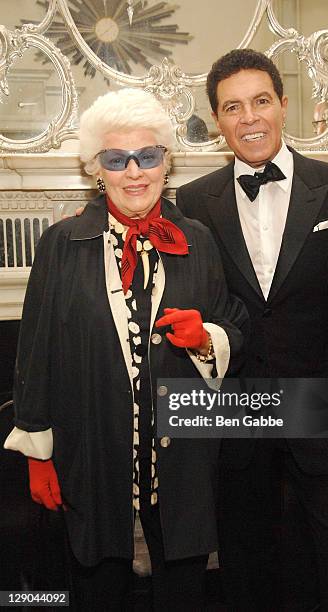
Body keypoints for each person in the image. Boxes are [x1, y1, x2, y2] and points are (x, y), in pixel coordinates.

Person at [4, 88, 247, 611]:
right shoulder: (60, 244)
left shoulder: (198, 239)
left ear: (166, 162)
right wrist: (38, 456)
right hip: (92, 456)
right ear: (98, 168)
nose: (134, 172)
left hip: (182, 459)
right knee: (99, 589)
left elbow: (234, 324)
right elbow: (35, 352)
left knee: (182, 590)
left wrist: (207, 340)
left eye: (148, 156)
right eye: (117, 159)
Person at [176, 49, 328, 611]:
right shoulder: (194, 199)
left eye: (260, 101)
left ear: (282, 104)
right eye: (232, 107)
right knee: (248, 560)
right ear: (217, 120)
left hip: (323, 398)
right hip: (238, 404)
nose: (249, 117)